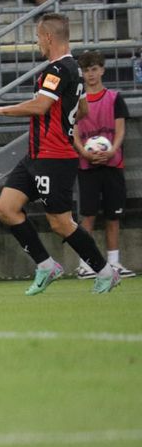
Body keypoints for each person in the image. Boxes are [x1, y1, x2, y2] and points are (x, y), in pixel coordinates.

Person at [0, 13, 120, 294]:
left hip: (54, 158)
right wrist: (66, 125)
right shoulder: (74, 69)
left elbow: (40, 107)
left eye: (39, 37)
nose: (38, 42)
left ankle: (104, 271)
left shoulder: (57, 70)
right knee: (6, 208)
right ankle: (46, 265)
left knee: (60, 223)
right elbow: (83, 109)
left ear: (48, 37)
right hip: (36, 156)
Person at [73, 50, 133, 279]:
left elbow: (120, 131)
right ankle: (85, 264)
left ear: (102, 70)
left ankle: (114, 263)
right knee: (87, 215)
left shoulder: (114, 98)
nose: (91, 74)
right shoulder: (78, 102)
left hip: (112, 164)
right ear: (82, 73)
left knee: (113, 215)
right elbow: (75, 134)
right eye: (87, 70)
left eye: (95, 69)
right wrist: (84, 154)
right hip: (87, 166)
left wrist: (111, 151)